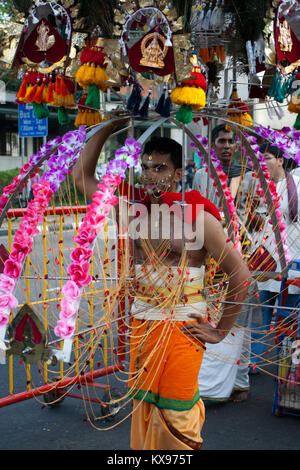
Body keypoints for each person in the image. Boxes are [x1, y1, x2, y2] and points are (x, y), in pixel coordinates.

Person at [73, 118, 250, 450]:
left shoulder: (200, 217)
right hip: (141, 326)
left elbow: (240, 276)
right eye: (145, 167)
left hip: (182, 330)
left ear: (179, 174)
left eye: (160, 168)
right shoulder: (133, 210)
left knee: (177, 414)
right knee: (145, 407)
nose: (150, 175)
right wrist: (107, 129)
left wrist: (219, 331)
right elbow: (82, 177)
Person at [193, 123, 258, 403]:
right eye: (221, 140)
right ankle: (213, 378)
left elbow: (260, 218)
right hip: (210, 259)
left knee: (242, 320)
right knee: (214, 316)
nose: (227, 146)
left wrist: (243, 225)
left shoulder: (251, 178)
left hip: (243, 255)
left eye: (231, 141)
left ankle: (241, 382)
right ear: (213, 144)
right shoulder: (200, 176)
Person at [242, 144, 300, 371]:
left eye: (266, 159)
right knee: (260, 316)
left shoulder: (296, 185)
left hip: (292, 262)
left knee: (287, 320)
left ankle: (285, 367)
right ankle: (254, 364)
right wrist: (251, 216)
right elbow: (249, 222)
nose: (261, 164)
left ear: (280, 161)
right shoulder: (255, 185)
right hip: (263, 261)